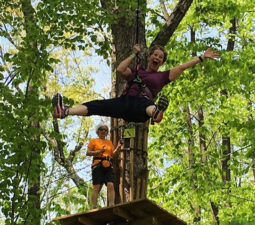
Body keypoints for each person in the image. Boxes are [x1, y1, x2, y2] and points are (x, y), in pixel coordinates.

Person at [52, 45, 219, 123]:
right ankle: (65, 111)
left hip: (142, 107)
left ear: (161, 63)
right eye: (155, 55)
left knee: (147, 104)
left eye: (160, 57)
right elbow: (120, 69)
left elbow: (182, 67)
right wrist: (133, 54)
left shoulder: (162, 76)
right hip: (124, 103)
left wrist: (201, 57)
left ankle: (157, 113)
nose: (157, 58)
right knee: (97, 105)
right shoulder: (136, 71)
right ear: (149, 57)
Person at [87, 124, 123, 208]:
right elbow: (88, 152)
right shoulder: (94, 141)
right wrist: (99, 151)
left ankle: (111, 204)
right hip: (97, 164)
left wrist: (118, 146)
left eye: (105, 130)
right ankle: (94, 206)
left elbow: (112, 154)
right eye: (101, 129)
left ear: (107, 132)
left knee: (110, 184)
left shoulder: (109, 142)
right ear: (98, 131)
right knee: (96, 186)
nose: (103, 131)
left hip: (108, 164)